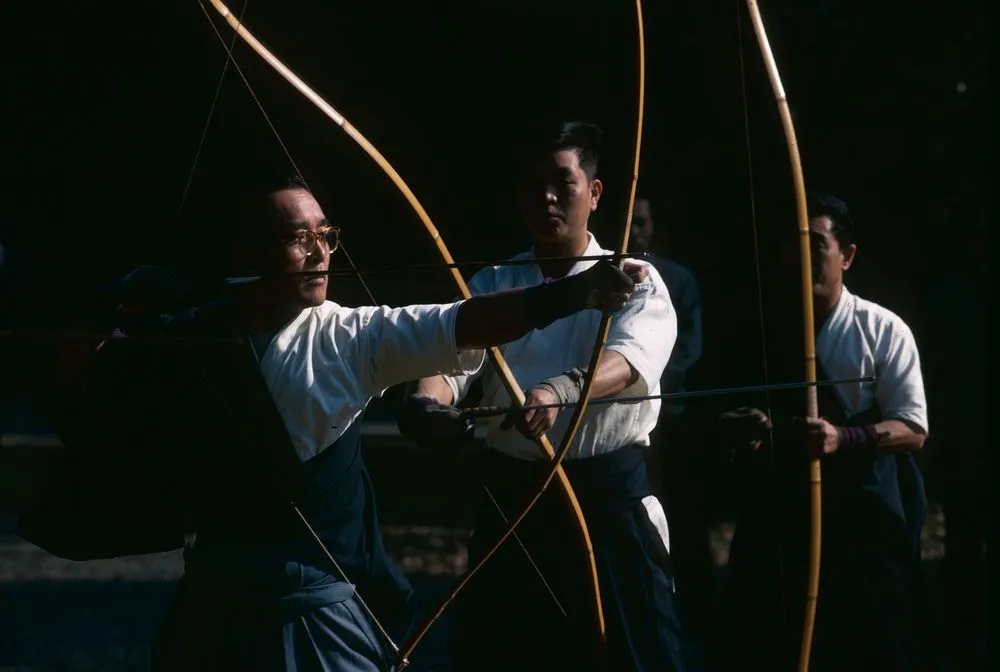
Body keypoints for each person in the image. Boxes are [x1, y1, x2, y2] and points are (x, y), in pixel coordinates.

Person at [16, 172, 645, 672]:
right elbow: (82, 381)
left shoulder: (345, 335)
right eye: (298, 237)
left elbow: (468, 322)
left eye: (326, 234)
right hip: (216, 608)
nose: (319, 251)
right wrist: (114, 306)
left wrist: (574, 292)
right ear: (250, 254)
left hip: (309, 614)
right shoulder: (189, 339)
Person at [399, 121, 687, 672]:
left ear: (595, 193)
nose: (547, 198)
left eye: (563, 182)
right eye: (532, 185)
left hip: (607, 505)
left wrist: (562, 388)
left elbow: (629, 361)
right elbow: (449, 362)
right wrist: (426, 405)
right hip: (514, 503)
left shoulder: (633, 278)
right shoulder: (491, 284)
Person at [712, 192, 929, 672]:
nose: (801, 257)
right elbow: (739, 417)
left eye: (817, 244)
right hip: (782, 519)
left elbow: (912, 428)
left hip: (864, 519)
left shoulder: (881, 329)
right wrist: (750, 430)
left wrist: (842, 438)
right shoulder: (764, 327)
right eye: (793, 245)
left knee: (873, 645)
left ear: (847, 255)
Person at [629, 192, 710, 669]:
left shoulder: (677, 279)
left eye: (643, 222)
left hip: (672, 423)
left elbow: (688, 350)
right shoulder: (608, 278)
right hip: (628, 427)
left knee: (684, 518)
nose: (636, 232)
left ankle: (695, 617)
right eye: (629, 222)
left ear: (654, 226)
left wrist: (654, 382)